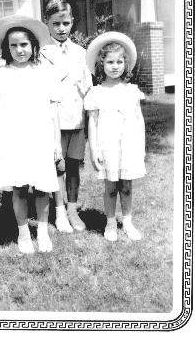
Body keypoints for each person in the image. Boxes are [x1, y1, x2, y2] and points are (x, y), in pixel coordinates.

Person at [0, 15, 62, 254]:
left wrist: (56, 143)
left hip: (39, 136)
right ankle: (23, 233)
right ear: (7, 48)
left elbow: (53, 110)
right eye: (14, 45)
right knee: (18, 187)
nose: (19, 50)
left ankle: (42, 230)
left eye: (24, 45)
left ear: (33, 45)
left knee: (41, 187)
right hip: (12, 138)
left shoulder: (45, 73)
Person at [84, 31, 146, 241]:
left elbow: (139, 121)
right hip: (107, 144)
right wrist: (94, 149)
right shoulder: (96, 92)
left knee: (126, 185)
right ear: (102, 64)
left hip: (129, 144)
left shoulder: (132, 91)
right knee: (110, 185)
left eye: (119, 61)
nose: (115, 66)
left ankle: (127, 221)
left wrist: (141, 147)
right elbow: (92, 122)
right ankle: (110, 222)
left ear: (125, 64)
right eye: (110, 61)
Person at [41, 0, 92, 232]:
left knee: (73, 166)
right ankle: (59, 211)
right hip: (54, 120)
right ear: (47, 24)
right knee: (57, 166)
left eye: (66, 23)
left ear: (72, 22)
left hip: (76, 118)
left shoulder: (81, 53)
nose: (61, 28)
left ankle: (72, 209)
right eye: (56, 24)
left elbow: (87, 88)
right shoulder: (42, 53)